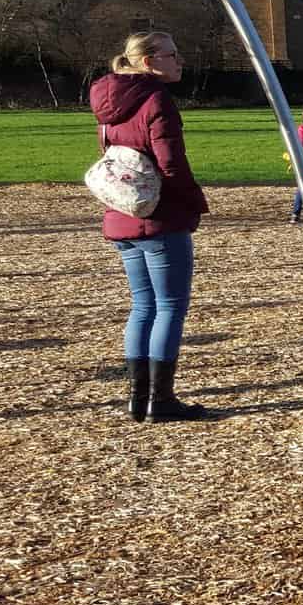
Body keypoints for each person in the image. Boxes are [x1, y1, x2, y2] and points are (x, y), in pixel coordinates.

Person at [89, 31, 210, 423]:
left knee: (143, 306)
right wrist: (193, 202)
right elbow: (171, 164)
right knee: (170, 305)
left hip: (123, 213)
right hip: (160, 216)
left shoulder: (107, 101)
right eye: (172, 55)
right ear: (148, 61)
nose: (180, 61)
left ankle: (137, 398)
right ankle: (162, 399)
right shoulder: (156, 100)